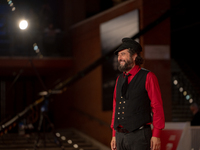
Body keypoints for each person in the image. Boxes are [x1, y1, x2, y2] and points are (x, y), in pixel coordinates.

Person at [110, 38, 165, 150]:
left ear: (134, 56)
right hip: (119, 136)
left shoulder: (148, 76)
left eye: (123, 54)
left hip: (139, 136)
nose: (119, 58)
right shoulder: (119, 79)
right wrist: (114, 134)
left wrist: (156, 135)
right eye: (118, 55)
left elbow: (157, 107)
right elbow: (116, 107)